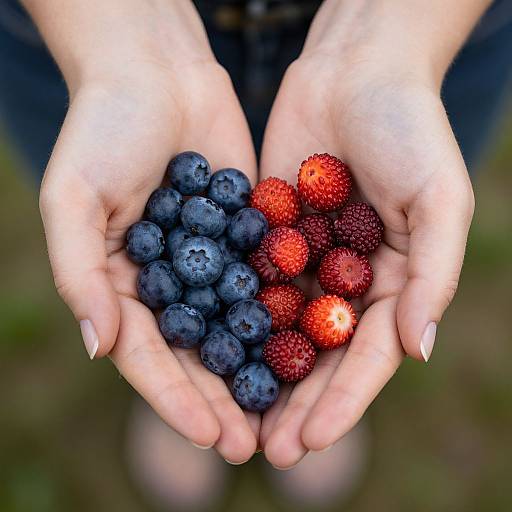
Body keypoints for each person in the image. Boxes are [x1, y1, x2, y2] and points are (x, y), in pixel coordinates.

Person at [1, 0, 511, 509]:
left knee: (328, 355)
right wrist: (120, 39)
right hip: (96, 32)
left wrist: (390, 38)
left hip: (414, 30)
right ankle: (180, 409)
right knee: (144, 301)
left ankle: (297, 402)